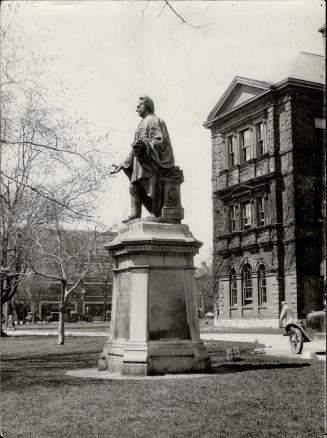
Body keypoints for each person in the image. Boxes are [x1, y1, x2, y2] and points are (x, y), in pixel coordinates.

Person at [110, 95, 175, 223]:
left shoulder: (155, 120)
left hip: (150, 160)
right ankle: (135, 213)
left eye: (139, 106)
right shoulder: (140, 124)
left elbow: (160, 141)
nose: (137, 109)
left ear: (147, 106)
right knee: (134, 185)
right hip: (138, 160)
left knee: (151, 184)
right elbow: (134, 146)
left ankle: (154, 212)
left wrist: (146, 146)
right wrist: (123, 163)